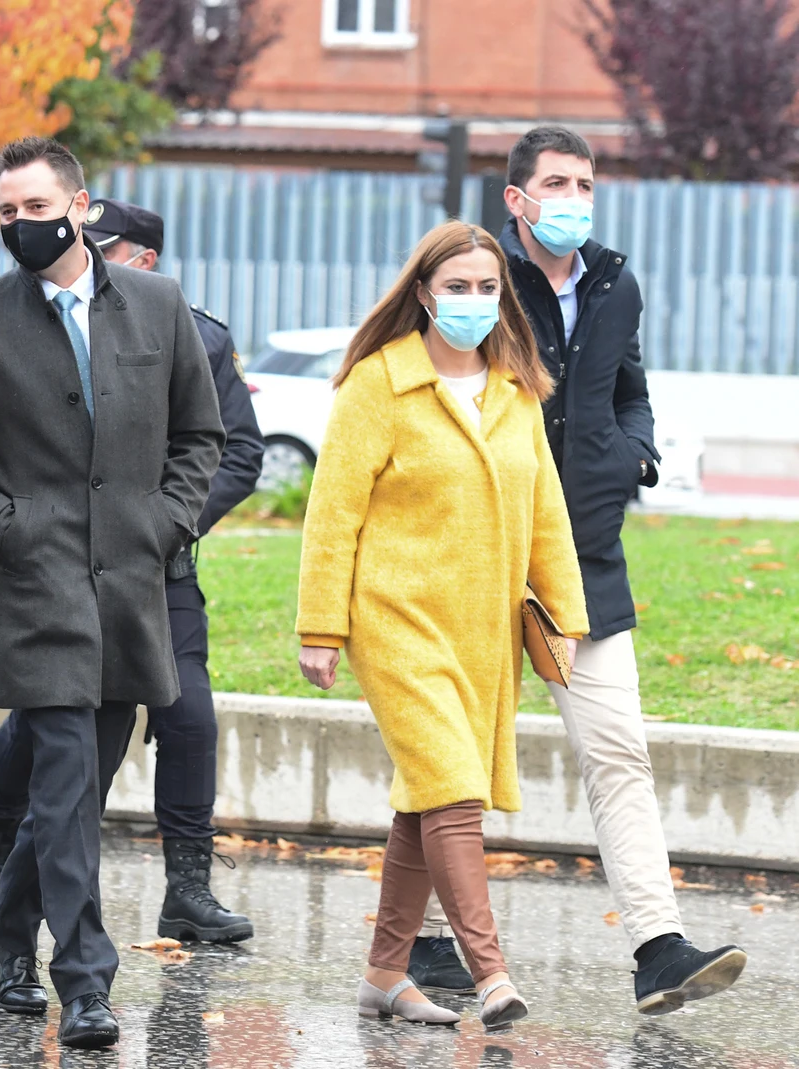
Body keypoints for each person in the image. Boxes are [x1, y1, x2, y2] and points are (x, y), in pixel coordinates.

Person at [403, 125, 748, 1014]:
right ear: (514, 199)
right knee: (453, 766)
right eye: (556, 183)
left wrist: (633, 452)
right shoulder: (474, 284)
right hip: (475, 558)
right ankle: (427, 946)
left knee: (619, 752)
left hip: (584, 558)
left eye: (585, 184)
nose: (574, 200)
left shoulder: (614, 282)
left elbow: (627, 387)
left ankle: (658, 949)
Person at [0, 138, 225, 1051]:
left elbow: (200, 438)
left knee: (77, 791)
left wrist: (164, 523)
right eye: (5, 212)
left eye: (36, 206)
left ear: (80, 206)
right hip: (36, 582)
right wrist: (3, 524)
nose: (20, 224)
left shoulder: (161, 307)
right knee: (60, 774)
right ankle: (84, 978)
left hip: (133, 581)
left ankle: (6, 932)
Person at [296, 220, 588, 1033]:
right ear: (423, 292)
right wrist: (320, 626)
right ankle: (492, 975)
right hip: (395, 623)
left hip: (483, 630)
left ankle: (386, 973)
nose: (473, 301)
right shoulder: (377, 384)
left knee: (424, 798)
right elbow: (332, 515)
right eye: (456, 287)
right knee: (454, 786)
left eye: (486, 287)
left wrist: (566, 620)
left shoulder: (516, 390)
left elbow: (546, 517)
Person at [0, 197, 264, 946]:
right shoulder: (37, 326)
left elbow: (233, 449)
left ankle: (188, 889)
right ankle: (1, 853)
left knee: (189, 714)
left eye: (104, 246)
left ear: (144, 258)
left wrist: (168, 521)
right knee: (41, 728)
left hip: (158, 564)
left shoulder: (193, 333)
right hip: (66, 565)